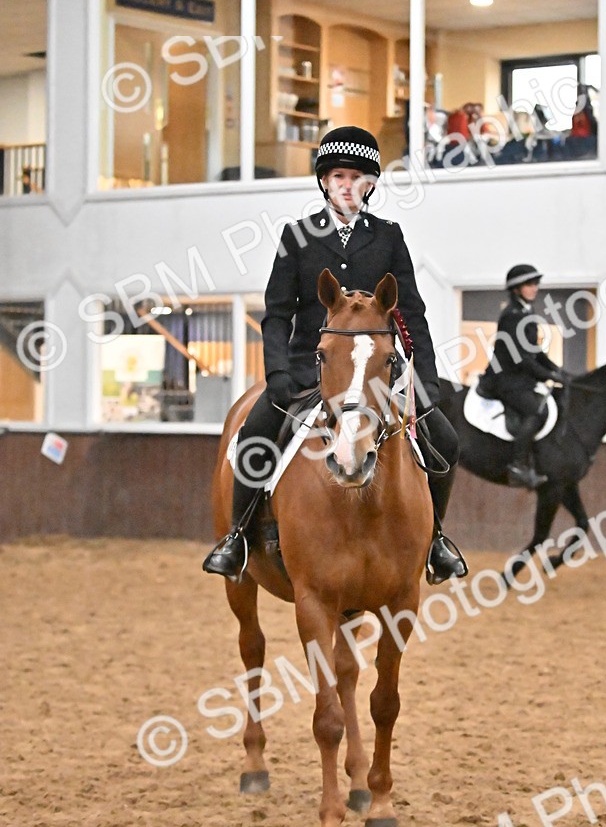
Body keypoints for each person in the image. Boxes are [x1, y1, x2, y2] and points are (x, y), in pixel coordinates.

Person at [203, 125, 468, 585]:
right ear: (324, 181)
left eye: (358, 177)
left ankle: (436, 540)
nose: (348, 185)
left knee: (445, 439)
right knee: (256, 433)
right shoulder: (297, 236)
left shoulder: (388, 237)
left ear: (370, 185)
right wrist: (278, 372)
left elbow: (412, 313)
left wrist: (427, 377)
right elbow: (277, 315)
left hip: (378, 375)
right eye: (339, 176)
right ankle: (238, 537)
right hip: (311, 370)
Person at [477, 264, 569, 489]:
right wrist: (548, 376)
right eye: (530, 284)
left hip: (519, 379)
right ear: (517, 289)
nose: (535, 288)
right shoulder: (512, 315)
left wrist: (558, 370)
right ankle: (518, 466)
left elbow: (535, 350)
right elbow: (521, 358)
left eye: (536, 283)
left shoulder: (526, 312)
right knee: (535, 411)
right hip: (504, 379)